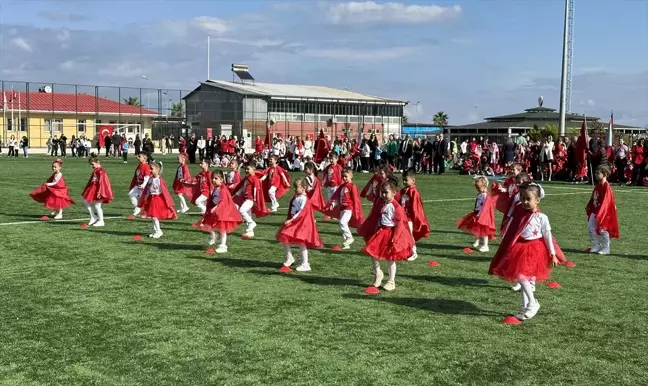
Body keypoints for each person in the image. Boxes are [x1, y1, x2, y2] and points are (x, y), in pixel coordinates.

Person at [488, 183, 564, 321]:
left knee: (521, 276)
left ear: (537, 200)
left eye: (528, 199)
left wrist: (552, 254)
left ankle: (533, 303)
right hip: (519, 248)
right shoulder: (520, 212)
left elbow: (548, 237)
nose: (524, 202)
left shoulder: (542, 217)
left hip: (534, 250)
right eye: (522, 198)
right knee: (522, 279)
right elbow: (513, 227)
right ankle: (525, 307)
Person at [358, 179, 415, 292]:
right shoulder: (382, 204)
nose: (383, 195)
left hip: (391, 234)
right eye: (382, 192)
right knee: (373, 253)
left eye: (386, 192)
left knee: (390, 259)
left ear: (394, 192)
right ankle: (378, 273)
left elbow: (400, 224)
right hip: (380, 232)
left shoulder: (396, 207)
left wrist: (396, 237)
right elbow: (378, 217)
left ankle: (391, 281)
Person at [276, 178, 323, 272]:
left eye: (296, 187)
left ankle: (305, 264)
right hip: (295, 222)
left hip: (301, 224)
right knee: (284, 236)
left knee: (301, 243)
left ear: (303, 188)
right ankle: (289, 257)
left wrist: (291, 220)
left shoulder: (304, 198)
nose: (294, 189)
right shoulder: (296, 197)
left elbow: (302, 211)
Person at [200, 170, 242, 253]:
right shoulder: (216, 188)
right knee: (214, 226)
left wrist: (216, 207)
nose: (213, 180)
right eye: (212, 178)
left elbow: (223, 201)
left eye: (216, 178)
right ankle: (217, 235)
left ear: (222, 179)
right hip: (217, 212)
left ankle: (223, 246)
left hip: (223, 212)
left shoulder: (223, 189)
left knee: (223, 230)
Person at [323, 167, 364, 249]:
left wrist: (356, 210)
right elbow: (338, 197)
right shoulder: (342, 186)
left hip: (348, 209)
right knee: (342, 224)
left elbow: (356, 199)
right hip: (342, 209)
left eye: (346, 176)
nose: (344, 178)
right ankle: (346, 244)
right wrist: (333, 204)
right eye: (343, 176)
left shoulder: (352, 186)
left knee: (342, 222)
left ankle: (349, 238)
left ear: (351, 176)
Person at [586, 165, 619, 255]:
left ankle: (606, 248)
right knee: (591, 227)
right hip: (595, 210)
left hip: (604, 212)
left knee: (603, 229)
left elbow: (607, 201)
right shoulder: (598, 185)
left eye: (598, 173)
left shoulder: (606, 187)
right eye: (595, 173)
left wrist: (601, 212)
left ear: (604, 174)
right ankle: (596, 245)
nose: (596, 175)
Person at [456, 176, 496, 252]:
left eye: (478, 187)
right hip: (477, 214)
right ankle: (478, 240)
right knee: (477, 229)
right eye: (476, 187)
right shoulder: (479, 194)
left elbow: (485, 207)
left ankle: (485, 245)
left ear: (484, 186)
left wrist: (479, 215)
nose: (477, 189)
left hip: (483, 216)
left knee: (484, 231)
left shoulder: (485, 196)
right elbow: (478, 204)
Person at [139, 161, 177, 238]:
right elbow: (148, 189)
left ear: (157, 170)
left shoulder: (159, 180)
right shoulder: (151, 179)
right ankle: (154, 231)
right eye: (150, 169)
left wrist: (167, 202)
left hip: (157, 199)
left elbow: (164, 191)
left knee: (154, 216)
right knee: (152, 216)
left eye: (152, 169)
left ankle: (159, 231)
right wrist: (145, 197)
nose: (150, 170)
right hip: (151, 199)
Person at [400, 171, 431, 261]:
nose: (404, 182)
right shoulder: (403, 191)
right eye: (403, 180)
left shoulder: (414, 192)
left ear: (413, 180)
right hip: (403, 217)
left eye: (406, 180)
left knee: (409, 235)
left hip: (409, 218)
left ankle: (414, 252)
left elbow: (416, 207)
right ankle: (406, 250)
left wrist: (415, 218)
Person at [233, 164, 270, 239]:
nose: (246, 170)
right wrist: (235, 194)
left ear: (253, 169)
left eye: (248, 169)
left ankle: (251, 223)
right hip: (245, 198)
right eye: (246, 169)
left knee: (242, 210)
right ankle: (250, 232)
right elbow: (243, 187)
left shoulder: (254, 178)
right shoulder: (247, 178)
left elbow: (256, 189)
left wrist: (255, 199)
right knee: (248, 214)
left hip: (250, 199)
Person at [81, 156, 114, 227]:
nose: (91, 166)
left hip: (99, 190)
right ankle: (93, 217)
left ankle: (101, 221)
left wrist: (100, 192)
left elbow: (103, 182)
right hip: (93, 189)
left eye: (92, 164)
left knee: (97, 205)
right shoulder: (96, 170)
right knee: (86, 202)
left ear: (97, 162)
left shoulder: (101, 171)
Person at [128, 152, 152, 218]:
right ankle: (138, 208)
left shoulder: (146, 166)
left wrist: (143, 185)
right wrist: (132, 185)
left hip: (143, 187)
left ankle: (138, 213)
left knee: (143, 200)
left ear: (144, 158)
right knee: (131, 194)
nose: (137, 157)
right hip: (137, 185)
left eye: (139, 156)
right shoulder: (139, 166)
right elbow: (136, 176)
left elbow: (147, 177)